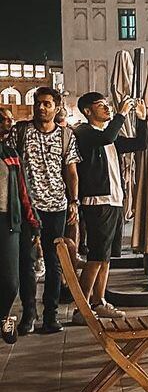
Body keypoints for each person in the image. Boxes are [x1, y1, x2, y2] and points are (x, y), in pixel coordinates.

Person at [74, 92, 148, 319]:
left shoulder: (109, 135)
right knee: (96, 255)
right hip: (98, 202)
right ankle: (82, 308)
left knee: (105, 257)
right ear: (88, 111)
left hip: (114, 200)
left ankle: (99, 301)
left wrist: (142, 119)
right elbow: (106, 138)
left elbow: (140, 144)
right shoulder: (84, 132)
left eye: (108, 105)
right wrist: (121, 114)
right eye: (101, 105)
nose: (107, 108)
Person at [14, 86, 80, 335]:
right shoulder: (21, 132)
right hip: (27, 206)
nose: (41, 107)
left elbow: (71, 171)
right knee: (27, 261)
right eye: (38, 103)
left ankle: (51, 314)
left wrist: (74, 202)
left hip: (57, 205)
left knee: (55, 262)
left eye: (47, 104)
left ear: (57, 107)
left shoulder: (66, 136)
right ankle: (29, 314)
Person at [0, 106, 38, 344]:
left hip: (7, 220)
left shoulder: (11, 154)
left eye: (9, 120)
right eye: (4, 120)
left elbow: (23, 192)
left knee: (11, 281)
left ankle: (4, 316)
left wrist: (33, 222)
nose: (8, 124)